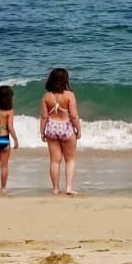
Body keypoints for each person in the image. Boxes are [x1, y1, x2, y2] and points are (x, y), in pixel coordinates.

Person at [40, 67, 82, 195]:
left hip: (52, 128)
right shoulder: (69, 95)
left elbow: (44, 116)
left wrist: (42, 131)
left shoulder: (46, 96)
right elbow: (74, 115)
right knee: (70, 159)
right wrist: (78, 129)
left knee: (54, 160)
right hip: (66, 128)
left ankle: (55, 189)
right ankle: (69, 188)